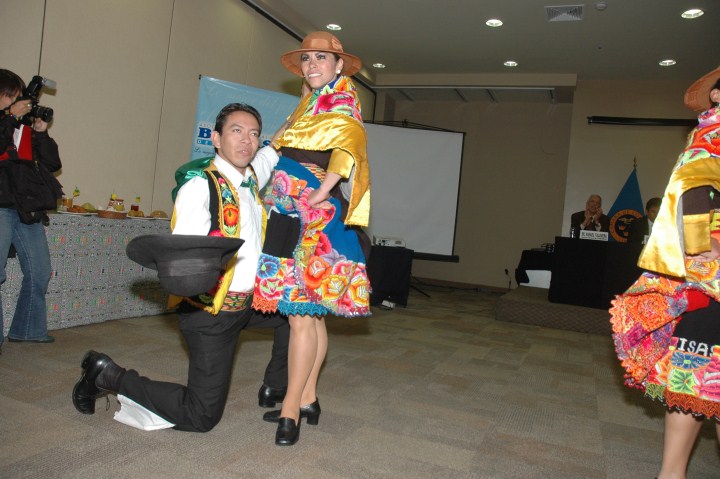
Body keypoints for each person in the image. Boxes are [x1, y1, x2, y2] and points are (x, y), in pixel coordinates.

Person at [71, 103, 289, 432]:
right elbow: (186, 257)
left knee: (299, 312)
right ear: (216, 139)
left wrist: (308, 104)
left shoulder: (251, 177)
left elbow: (273, 151)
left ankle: (277, 385)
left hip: (249, 304)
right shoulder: (199, 187)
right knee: (200, 416)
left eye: (254, 133)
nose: (247, 140)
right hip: (211, 313)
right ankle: (107, 375)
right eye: (237, 131)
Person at [252, 31, 372, 446]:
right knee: (312, 315)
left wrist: (323, 190)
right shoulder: (312, 101)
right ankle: (308, 399)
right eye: (307, 59)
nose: (312, 65)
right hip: (290, 211)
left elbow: (349, 144)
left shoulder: (342, 98)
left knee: (301, 315)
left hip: (310, 215)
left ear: (339, 64)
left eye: (321, 57)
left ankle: (290, 412)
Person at [610, 67, 720, 479]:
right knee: (696, 383)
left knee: (700, 388)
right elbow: (692, 196)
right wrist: (705, 252)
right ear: (716, 97)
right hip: (710, 286)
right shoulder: (708, 144)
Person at [0, 69, 61, 352]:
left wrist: (41, 132)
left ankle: (27, 330)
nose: (18, 101)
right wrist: (10, 118)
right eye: (11, 95)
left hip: (26, 206)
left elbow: (52, 163)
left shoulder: (21, 125)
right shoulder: (8, 122)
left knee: (39, 270)